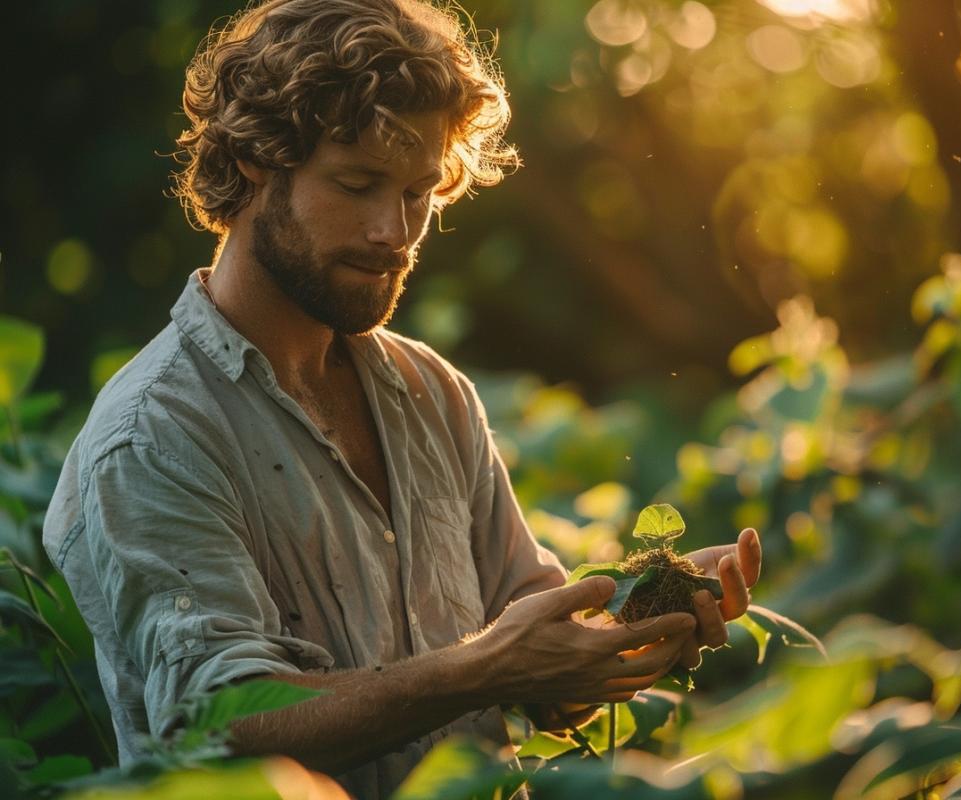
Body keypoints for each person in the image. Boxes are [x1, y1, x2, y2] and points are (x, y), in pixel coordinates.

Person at [42, 1, 761, 797]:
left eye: (419, 193)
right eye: (358, 185)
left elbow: (536, 653)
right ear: (254, 162)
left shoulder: (432, 393)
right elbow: (221, 724)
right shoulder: (155, 434)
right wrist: (486, 668)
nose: (395, 231)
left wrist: (640, 612)